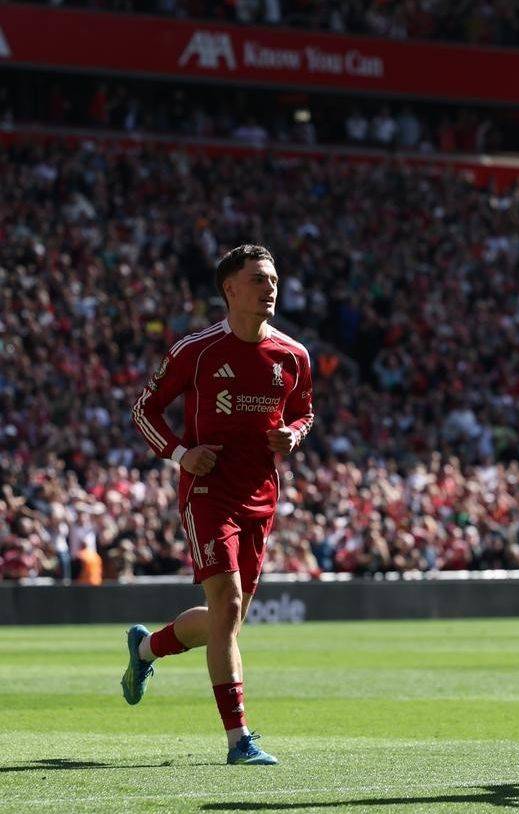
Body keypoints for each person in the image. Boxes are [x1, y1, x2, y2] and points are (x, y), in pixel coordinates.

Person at [123, 245, 314, 764]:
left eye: (273, 279)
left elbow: (305, 413)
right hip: (208, 492)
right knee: (227, 609)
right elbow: (144, 410)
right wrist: (181, 454)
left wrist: (294, 435)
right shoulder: (198, 350)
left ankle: (144, 648)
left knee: (227, 620)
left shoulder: (293, 355)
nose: (270, 287)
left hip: (262, 496)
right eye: (258, 279)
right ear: (230, 289)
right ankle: (239, 740)